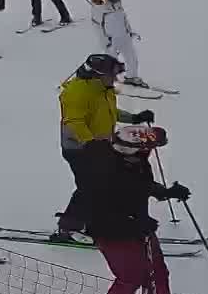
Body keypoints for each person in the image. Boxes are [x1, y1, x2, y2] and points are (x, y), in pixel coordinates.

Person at [81, 123, 189, 294]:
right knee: (131, 274)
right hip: (111, 231)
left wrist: (166, 192)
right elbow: (100, 208)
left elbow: (141, 184)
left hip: (138, 224)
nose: (150, 151)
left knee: (156, 267)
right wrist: (133, 224)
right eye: (146, 147)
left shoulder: (134, 159)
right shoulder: (103, 169)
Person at [56, 53, 157, 242]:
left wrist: (133, 118)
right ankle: (68, 228)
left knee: (105, 183)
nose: (116, 78)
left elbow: (110, 111)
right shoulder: (77, 92)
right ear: (97, 74)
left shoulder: (103, 88)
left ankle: (97, 222)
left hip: (100, 144)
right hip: (78, 148)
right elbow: (74, 121)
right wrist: (90, 143)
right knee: (89, 187)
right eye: (112, 74)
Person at [91, 0, 144, 85]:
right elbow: (98, 28)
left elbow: (124, 19)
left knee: (132, 57)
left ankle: (131, 77)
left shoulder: (118, 4)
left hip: (124, 36)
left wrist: (130, 31)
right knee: (111, 62)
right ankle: (109, 82)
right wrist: (105, 41)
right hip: (111, 40)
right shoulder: (99, 9)